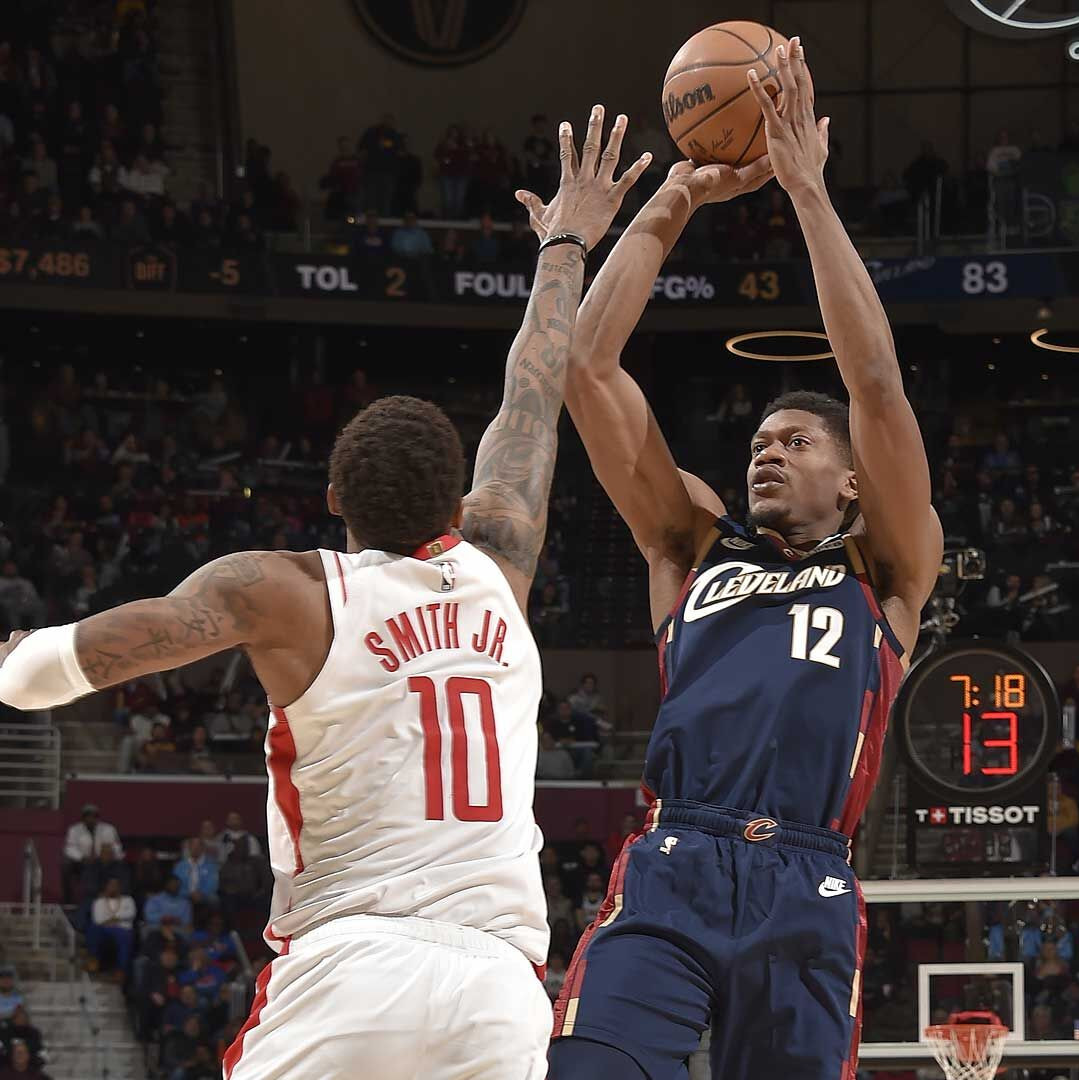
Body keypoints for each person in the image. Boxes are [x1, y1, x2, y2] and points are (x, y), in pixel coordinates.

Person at [0, 107, 650, 1080]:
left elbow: (64, 669)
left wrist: (18, 663)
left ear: (335, 497)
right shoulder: (501, 562)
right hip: (500, 991)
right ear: (459, 502)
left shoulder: (288, 592)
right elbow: (533, 388)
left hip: (351, 967)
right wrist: (565, 241)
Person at [549, 43, 941, 1080]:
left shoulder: (888, 566)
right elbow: (586, 370)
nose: (768, 446)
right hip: (673, 861)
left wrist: (806, 190)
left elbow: (875, 380)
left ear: (852, 481)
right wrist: (670, 204)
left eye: (797, 440)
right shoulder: (691, 540)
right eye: (760, 439)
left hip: (806, 880)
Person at [62, 803, 123, 901]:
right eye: (88, 816)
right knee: (66, 865)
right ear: (83, 818)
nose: (90, 819)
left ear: (97, 818)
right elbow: (69, 848)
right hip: (82, 862)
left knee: (120, 866)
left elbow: (117, 847)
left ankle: (115, 896)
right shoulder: (74, 830)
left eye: (93, 816)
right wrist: (82, 857)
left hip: (103, 861)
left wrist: (107, 855)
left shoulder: (108, 829)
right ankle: (68, 898)